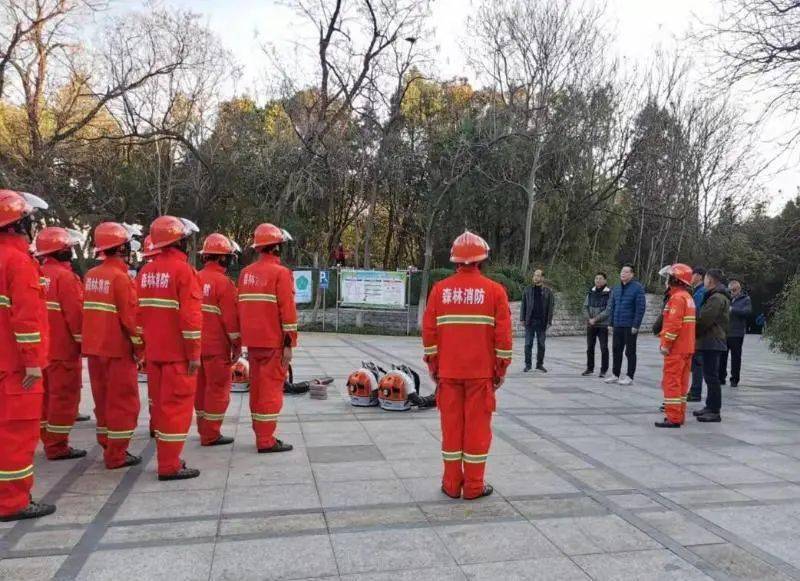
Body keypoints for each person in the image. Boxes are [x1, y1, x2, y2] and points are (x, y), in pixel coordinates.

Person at [422, 231, 512, 500]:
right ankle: (473, 486)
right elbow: (503, 338)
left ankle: (451, 485)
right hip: (480, 376)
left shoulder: (440, 291)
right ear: (482, 261)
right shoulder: (495, 291)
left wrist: (434, 368)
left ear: (455, 261)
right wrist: (500, 369)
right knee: (477, 430)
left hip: (448, 374)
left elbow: (429, 334)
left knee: (451, 429)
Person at [0, 189, 55, 522]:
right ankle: (13, 501)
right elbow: (26, 318)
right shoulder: (18, 261)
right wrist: (33, 362)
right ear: (17, 224)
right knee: (17, 434)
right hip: (16, 367)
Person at [138, 215, 203, 480]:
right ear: (179, 241)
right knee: (176, 409)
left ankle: (168, 458)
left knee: (161, 406)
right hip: (178, 356)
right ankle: (169, 464)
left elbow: (136, 315)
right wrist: (194, 354)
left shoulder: (145, 272)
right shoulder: (183, 272)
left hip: (154, 353)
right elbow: (190, 319)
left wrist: (142, 349)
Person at [82, 222, 143, 469]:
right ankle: (117, 454)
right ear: (121, 248)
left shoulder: (91, 276)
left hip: (95, 351)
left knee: (103, 400)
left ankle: (107, 442)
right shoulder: (121, 278)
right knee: (123, 403)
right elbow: (131, 320)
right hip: (117, 352)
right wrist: (139, 349)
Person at [238, 223, 297, 453]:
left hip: (252, 343)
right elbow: (288, 312)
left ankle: (260, 433)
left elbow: (240, 307)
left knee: (257, 390)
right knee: (271, 391)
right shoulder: (280, 273)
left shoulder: (245, 273)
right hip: (273, 343)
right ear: (276, 248)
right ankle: (266, 439)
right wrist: (289, 343)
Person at [35, 227, 86, 461]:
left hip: (40, 350)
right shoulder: (66, 278)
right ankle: (57, 446)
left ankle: (47, 438)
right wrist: (82, 343)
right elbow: (75, 316)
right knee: (63, 398)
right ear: (62, 251)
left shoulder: (36, 273)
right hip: (63, 350)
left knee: (44, 398)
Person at [196, 233, 241, 446]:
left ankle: (202, 428)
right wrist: (237, 347)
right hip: (216, 347)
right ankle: (211, 434)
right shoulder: (224, 284)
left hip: (194, 346)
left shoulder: (193, 278)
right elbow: (232, 324)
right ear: (224, 258)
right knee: (217, 389)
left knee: (201, 389)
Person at [655, 264, 696, 428]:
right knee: (682, 383)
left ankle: (673, 417)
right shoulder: (687, 297)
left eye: (668, 278)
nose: (666, 281)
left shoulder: (677, 298)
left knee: (671, 382)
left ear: (674, 279)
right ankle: (678, 415)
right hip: (687, 348)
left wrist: (666, 344)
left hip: (676, 349)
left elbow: (673, 325)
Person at [693, 268, 730, 423]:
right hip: (711, 340)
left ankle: (714, 410)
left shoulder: (716, 298)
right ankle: (710, 406)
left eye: (706, 279)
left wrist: (693, 331)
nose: (704, 281)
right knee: (710, 376)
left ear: (711, 280)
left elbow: (705, 319)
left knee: (712, 377)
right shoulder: (715, 296)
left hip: (712, 340)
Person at [605, 264, 646, 385]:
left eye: (626, 272)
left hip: (630, 326)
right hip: (618, 324)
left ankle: (629, 376)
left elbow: (640, 308)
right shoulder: (616, 288)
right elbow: (612, 307)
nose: (623, 273)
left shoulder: (637, 288)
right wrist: (610, 323)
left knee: (630, 351)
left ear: (632, 274)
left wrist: (636, 325)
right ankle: (615, 374)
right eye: (622, 271)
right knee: (616, 350)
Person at [520, 268, 554, 372]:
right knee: (528, 344)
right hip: (530, 321)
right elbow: (523, 305)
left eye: (538, 275)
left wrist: (549, 321)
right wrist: (522, 318)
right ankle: (528, 364)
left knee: (541, 344)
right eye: (534, 275)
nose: (535, 277)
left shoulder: (548, 292)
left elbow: (550, 307)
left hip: (542, 322)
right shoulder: (527, 290)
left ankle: (539, 364)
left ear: (542, 278)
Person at [720, 278, 751, 388]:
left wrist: (733, 310)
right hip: (724, 332)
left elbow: (747, 312)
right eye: (731, 290)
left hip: (737, 333)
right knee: (722, 356)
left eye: (734, 290)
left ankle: (734, 379)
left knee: (736, 357)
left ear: (739, 289)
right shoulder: (726, 299)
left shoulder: (745, 299)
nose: (732, 292)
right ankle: (721, 377)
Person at [582, 272, 611, 377]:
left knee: (604, 348)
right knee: (590, 347)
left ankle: (603, 370)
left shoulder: (609, 293)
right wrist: (589, 319)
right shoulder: (590, 292)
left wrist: (595, 319)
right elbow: (585, 307)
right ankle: (590, 368)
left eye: (600, 278)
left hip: (602, 325)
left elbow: (608, 310)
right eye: (596, 278)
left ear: (605, 281)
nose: (598, 280)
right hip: (591, 325)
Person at [687, 267, 707, 402]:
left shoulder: (700, 293)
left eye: (692, 275)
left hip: (698, 333)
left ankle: (695, 391)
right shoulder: (697, 291)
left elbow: (696, 313)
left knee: (697, 363)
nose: (690, 277)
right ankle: (694, 390)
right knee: (696, 363)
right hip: (696, 332)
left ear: (699, 276)